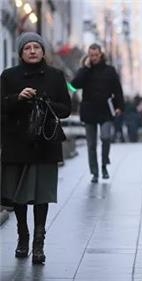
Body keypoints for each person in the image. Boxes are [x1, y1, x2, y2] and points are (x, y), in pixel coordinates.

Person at [0, 32, 71, 264]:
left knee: (42, 196)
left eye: (36, 47)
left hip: (45, 144)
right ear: (21, 52)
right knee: (18, 195)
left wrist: (46, 101)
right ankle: (23, 235)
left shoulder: (55, 76)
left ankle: (39, 242)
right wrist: (17, 98)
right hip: (17, 143)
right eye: (27, 47)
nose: (32, 51)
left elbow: (66, 109)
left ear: (43, 51)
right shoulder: (8, 76)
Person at [71, 43, 124, 183]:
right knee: (91, 145)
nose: (93, 58)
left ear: (101, 54)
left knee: (106, 137)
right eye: (91, 55)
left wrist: (119, 106)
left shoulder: (110, 70)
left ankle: (104, 164)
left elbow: (117, 89)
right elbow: (74, 85)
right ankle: (95, 172)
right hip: (89, 110)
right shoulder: (85, 70)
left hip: (105, 109)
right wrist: (85, 68)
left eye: (96, 55)